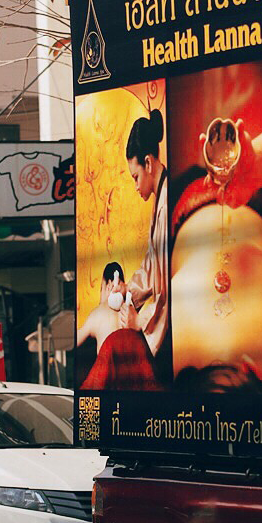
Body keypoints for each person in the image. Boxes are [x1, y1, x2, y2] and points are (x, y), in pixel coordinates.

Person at [77, 262, 163, 391]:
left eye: (101, 288)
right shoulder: (132, 314)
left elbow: (76, 340)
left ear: (110, 284)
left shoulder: (98, 313)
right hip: (136, 381)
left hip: (110, 380)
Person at [123, 110, 169, 347]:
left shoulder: (167, 201)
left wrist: (138, 320)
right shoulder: (159, 198)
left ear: (148, 163)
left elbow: (166, 290)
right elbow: (152, 265)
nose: (135, 185)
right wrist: (126, 293)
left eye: (135, 176)